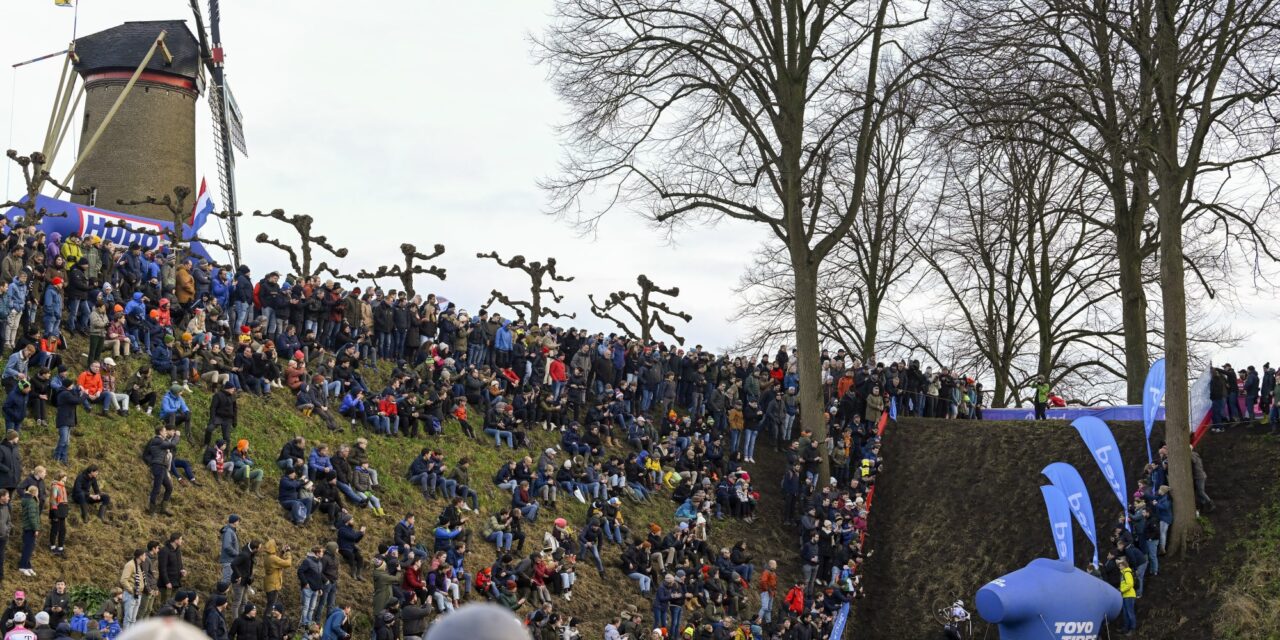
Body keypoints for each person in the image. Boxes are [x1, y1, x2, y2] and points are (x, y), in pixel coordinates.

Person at [18, 486, 39, 577]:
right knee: (28, 548)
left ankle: (27, 565)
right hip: (30, 528)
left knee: (29, 548)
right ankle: (22, 566)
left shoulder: (28, 500)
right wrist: (36, 528)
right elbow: (32, 517)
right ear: (34, 493)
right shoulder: (31, 502)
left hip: (27, 527)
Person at [1118, 557, 1137, 633]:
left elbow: (1130, 584)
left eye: (1120, 565)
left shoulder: (1127, 573)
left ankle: (1132, 629)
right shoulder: (1123, 574)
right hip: (1125, 596)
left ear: (1124, 566)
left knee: (1130, 612)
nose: (1119, 566)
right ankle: (1126, 628)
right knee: (1125, 613)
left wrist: (1121, 590)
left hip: (1129, 595)